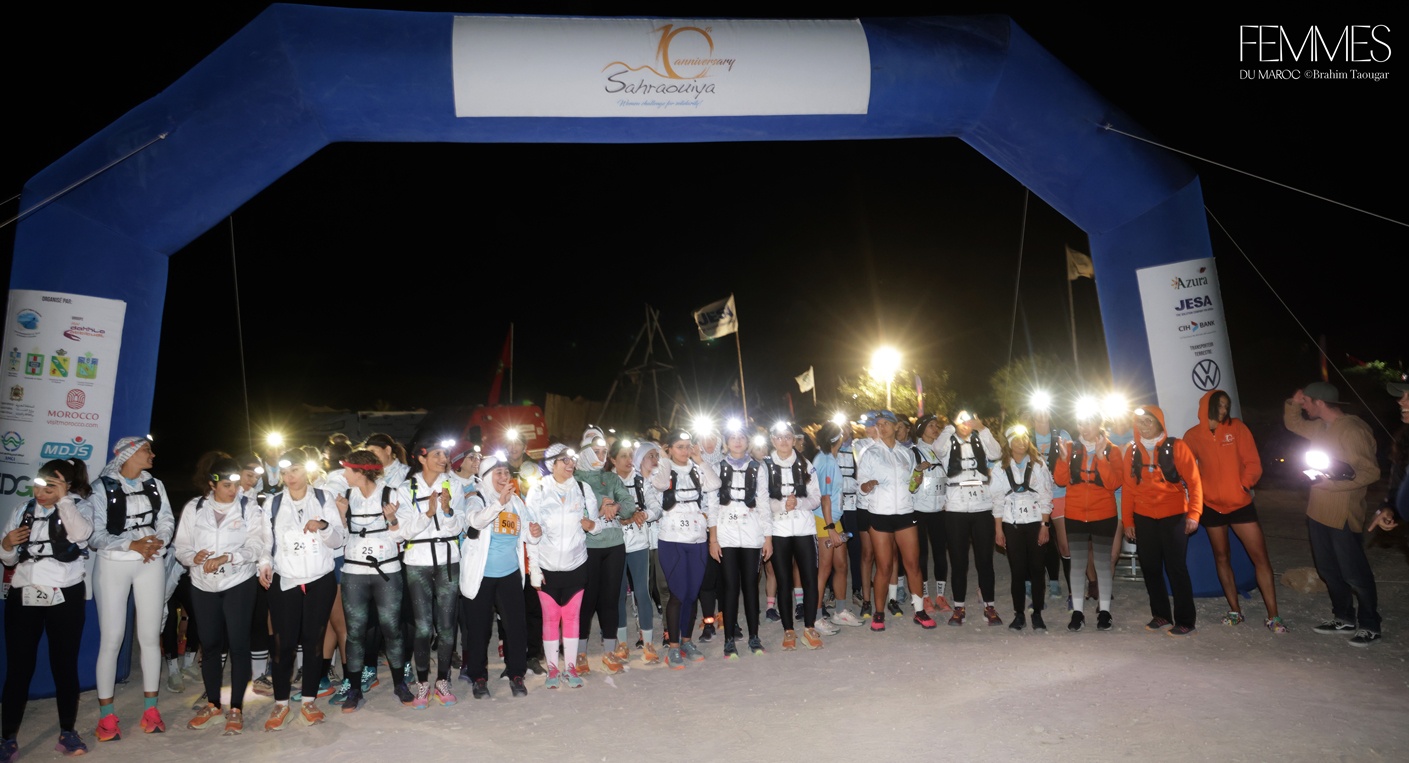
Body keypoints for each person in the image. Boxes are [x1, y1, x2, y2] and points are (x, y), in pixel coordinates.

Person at [1, 459, 95, 758]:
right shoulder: (22, 509)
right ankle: (7, 738)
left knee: (64, 664)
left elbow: (81, 534)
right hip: (24, 592)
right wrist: (6, 544)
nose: (41, 493)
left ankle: (67, 732)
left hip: (65, 593)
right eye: (38, 485)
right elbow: (8, 560)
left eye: (50, 487)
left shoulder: (79, 507)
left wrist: (64, 499)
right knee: (18, 667)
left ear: (66, 486)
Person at [173, 456, 269, 734]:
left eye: (236, 485)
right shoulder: (195, 507)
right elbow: (181, 547)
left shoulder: (248, 507)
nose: (233, 490)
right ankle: (213, 704)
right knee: (211, 645)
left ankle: (236, 708)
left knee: (239, 645)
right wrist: (193, 557)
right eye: (227, 485)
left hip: (238, 581)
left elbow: (256, 545)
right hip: (203, 585)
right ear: (212, 484)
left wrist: (229, 556)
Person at [89, 435, 175, 740]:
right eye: (146, 450)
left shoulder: (155, 484)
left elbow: (166, 519)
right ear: (128, 454)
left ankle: (151, 710)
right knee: (112, 639)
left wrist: (157, 541)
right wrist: (131, 544)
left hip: (150, 561)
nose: (152, 454)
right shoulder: (101, 487)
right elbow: (94, 534)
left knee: (150, 637)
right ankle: (106, 716)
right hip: (113, 563)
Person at [1285, 382, 1383, 646]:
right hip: (1318, 511)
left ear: (1319, 402)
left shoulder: (1352, 430)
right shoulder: (1320, 427)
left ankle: (1370, 624)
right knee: (1328, 570)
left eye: (1306, 402)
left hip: (1342, 514)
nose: (1304, 407)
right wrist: (1293, 403)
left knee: (1354, 573)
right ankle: (1344, 617)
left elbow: (1371, 472)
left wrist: (1331, 484)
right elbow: (1293, 424)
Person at [1182, 390, 1283, 632]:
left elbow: (1253, 463)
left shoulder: (1237, 428)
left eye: (1227, 406)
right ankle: (1235, 611)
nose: (1224, 410)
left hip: (1240, 505)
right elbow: (1186, 468)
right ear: (1207, 406)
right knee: (1221, 557)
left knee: (1260, 558)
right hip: (1211, 507)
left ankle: (1274, 616)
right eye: (1219, 405)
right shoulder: (1193, 435)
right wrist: (1195, 492)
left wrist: (1243, 486)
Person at [257, 451, 344, 731]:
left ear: (306, 470)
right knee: (283, 643)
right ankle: (281, 703)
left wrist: (323, 526)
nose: (289, 476)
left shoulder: (323, 498)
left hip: (319, 579)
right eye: (284, 472)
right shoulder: (273, 502)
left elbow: (338, 539)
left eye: (294, 470)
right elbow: (265, 541)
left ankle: (309, 701)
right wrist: (264, 565)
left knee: (314, 641)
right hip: (286, 580)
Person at [335, 448, 413, 711]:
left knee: (392, 628)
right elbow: (338, 540)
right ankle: (354, 689)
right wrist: (341, 516)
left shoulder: (391, 493)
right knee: (355, 632)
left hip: (386, 570)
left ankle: (400, 684)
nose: (343, 474)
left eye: (347, 469)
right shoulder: (346, 497)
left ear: (361, 472)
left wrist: (392, 519)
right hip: (354, 572)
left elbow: (403, 536)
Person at [524, 443, 601, 688]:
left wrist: (592, 525)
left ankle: (570, 668)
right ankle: (552, 669)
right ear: (552, 464)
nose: (571, 464)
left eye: (572, 460)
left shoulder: (583, 488)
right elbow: (530, 533)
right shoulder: (538, 490)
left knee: (572, 618)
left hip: (576, 564)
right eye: (564, 460)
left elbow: (596, 524)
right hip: (547, 566)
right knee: (550, 619)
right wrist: (534, 569)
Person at [1123, 405, 1203, 636]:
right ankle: (1161, 615)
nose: (1144, 426)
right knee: (1150, 567)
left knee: (1176, 568)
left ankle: (1185, 620)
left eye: (1149, 421)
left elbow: (1194, 482)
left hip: (1174, 516)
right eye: (1140, 422)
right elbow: (1128, 489)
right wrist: (1128, 520)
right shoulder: (1132, 451)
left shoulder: (1177, 447)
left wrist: (1194, 514)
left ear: (1159, 423)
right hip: (1144, 517)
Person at [402, 438, 469, 707]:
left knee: (446, 625)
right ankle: (422, 683)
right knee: (422, 626)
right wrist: (428, 513)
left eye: (446, 454)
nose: (444, 459)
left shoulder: (454, 485)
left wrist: (447, 510)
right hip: (417, 561)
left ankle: (442, 680)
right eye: (437, 454)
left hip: (448, 560)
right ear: (421, 458)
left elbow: (458, 526)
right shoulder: (405, 488)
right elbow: (404, 531)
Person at [647, 430, 720, 668]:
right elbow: (659, 484)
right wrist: (664, 460)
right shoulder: (662, 469)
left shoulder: (697, 468)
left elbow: (715, 485)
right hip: (672, 539)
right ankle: (673, 646)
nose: (685, 451)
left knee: (692, 593)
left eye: (688, 446)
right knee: (678, 594)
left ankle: (687, 641)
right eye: (679, 446)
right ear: (668, 448)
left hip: (697, 538)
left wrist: (700, 460)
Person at [460, 455, 532, 699]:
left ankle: (516, 673)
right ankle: (478, 677)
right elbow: (475, 521)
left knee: (516, 627)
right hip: (482, 575)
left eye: (506, 472)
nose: (504, 477)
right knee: (479, 629)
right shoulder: (476, 498)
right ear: (486, 476)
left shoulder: (516, 501)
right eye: (498, 473)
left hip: (509, 573)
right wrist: (499, 503)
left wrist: (534, 531)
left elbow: (526, 531)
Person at [858, 411, 937, 631]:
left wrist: (917, 478)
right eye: (879, 424)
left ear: (896, 427)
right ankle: (879, 613)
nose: (882, 427)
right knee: (883, 567)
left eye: (886, 424)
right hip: (879, 514)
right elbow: (860, 486)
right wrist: (867, 486)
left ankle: (919, 611)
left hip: (904, 512)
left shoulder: (907, 453)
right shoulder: (870, 453)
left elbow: (912, 486)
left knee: (912, 564)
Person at [1053, 410, 1123, 632]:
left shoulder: (1112, 450)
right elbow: (1060, 480)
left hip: (1104, 514)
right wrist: (1062, 459)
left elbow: (1114, 483)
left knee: (1103, 564)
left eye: (1089, 423)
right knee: (1077, 565)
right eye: (1081, 423)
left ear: (1099, 424)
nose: (1084, 428)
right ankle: (1078, 613)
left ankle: (1105, 612)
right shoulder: (1070, 448)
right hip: (1075, 514)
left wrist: (1101, 458)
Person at [575, 428, 636, 674]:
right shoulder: (574, 478)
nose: (600, 457)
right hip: (587, 547)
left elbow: (629, 505)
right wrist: (598, 508)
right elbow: (570, 511)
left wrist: (617, 506)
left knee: (611, 599)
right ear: (584, 452)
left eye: (603, 452)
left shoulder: (611, 478)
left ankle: (609, 651)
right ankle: (580, 654)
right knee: (587, 600)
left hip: (614, 545)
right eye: (595, 452)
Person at [936, 410, 1004, 626]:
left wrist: (982, 428)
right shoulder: (948, 439)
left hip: (982, 505)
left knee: (985, 560)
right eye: (961, 420)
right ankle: (959, 607)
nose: (966, 423)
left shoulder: (980, 438)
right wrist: (950, 427)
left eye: (969, 420)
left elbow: (996, 453)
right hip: (955, 506)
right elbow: (937, 449)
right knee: (958, 561)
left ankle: (989, 606)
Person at [762, 421, 826, 649]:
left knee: (810, 579)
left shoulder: (805, 464)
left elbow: (816, 497)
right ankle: (788, 630)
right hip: (779, 530)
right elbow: (761, 500)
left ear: (794, 439)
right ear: (772, 440)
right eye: (779, 437)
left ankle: (809, 627)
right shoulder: (765, 466)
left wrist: (798, 503)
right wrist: (782, 505)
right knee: (784, 580)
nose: (783, 441)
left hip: (804, 529)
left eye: (788, 437)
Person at [710, 422, 772, 657]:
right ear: (726, 442)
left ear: (747, 442)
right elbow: (712, 505)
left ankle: (754, 637)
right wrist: (713, 539)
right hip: (726, 533)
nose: (737, 441)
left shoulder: (758, 468)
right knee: (730, 587)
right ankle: (729, 639)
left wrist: (768, 538)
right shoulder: (717, 467)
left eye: (741, 437)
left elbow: (764, 503)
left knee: (750, 586)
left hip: (752, 533)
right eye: (733, 437)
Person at [991, 426, 1053, 630]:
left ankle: (1037, 613)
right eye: (1016, 439)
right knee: (1017, 570)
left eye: (1025, 438)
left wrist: (1045, 525)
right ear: (1009, 443)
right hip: (1012, 524)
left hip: (1035, 522)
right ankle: (1019, 614)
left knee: (1037, 569)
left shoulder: (1039, 465)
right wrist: (999, 529)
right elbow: (997, 500)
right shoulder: (1000, 467)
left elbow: (1045, 496)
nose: (1022, 442)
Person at [615, 440, 663, 664]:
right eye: (622, 456)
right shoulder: (607, 481)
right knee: (617, 595)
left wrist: (644, 514)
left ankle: (648, 643)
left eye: (629, 455)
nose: (628, 460)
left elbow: (656, 508)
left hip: (638, 543)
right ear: (613, 460)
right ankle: (622, 644)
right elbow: (599, 510)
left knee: (642, 592)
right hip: (614, 544)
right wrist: (622, 517)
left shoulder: (641, 481)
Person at [810, 422, 862, 628]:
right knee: (824, 569)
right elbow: (824, 498)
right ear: (837, 439)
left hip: (834, 518)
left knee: (841, 565)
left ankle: (839, 611)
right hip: (824, 520)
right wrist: (830, 528)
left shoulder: (830, 458)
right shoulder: (825, 461)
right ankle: (816, 617)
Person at [909, 413, 950, 615]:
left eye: (937, 425)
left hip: (939, 511)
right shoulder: (913, 452)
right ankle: (924, 596)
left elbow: (948, 480)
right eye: (931, 425)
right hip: (919, 511)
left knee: (941, 553)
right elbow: (910, 486)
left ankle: (940, 595)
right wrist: (918, 470)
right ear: (921, 430)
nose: (935, 429)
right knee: (922, 555)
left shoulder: (942, 452)